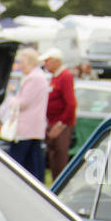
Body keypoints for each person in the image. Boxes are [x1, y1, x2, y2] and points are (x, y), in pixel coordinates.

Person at [0, 47, 49, 182]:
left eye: (22, 62)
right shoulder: (38, 77)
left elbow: (23, 102)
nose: (20, 66)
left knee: (18, 162)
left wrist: (11, 99)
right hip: (33, 128)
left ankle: (15, 183)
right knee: (34, 163)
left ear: (30, 62)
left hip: (26, 128)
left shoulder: (33, 78)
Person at [41, 47, 76, 179]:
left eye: (47, 61)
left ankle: (60, 184)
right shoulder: (55, 77)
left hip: (61, 124)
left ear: (56, 61)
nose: (45, 64)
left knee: (60, 158)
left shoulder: (65, 76)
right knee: (53, 157)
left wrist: (60, 125)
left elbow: (71, 103)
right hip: (52, 121)